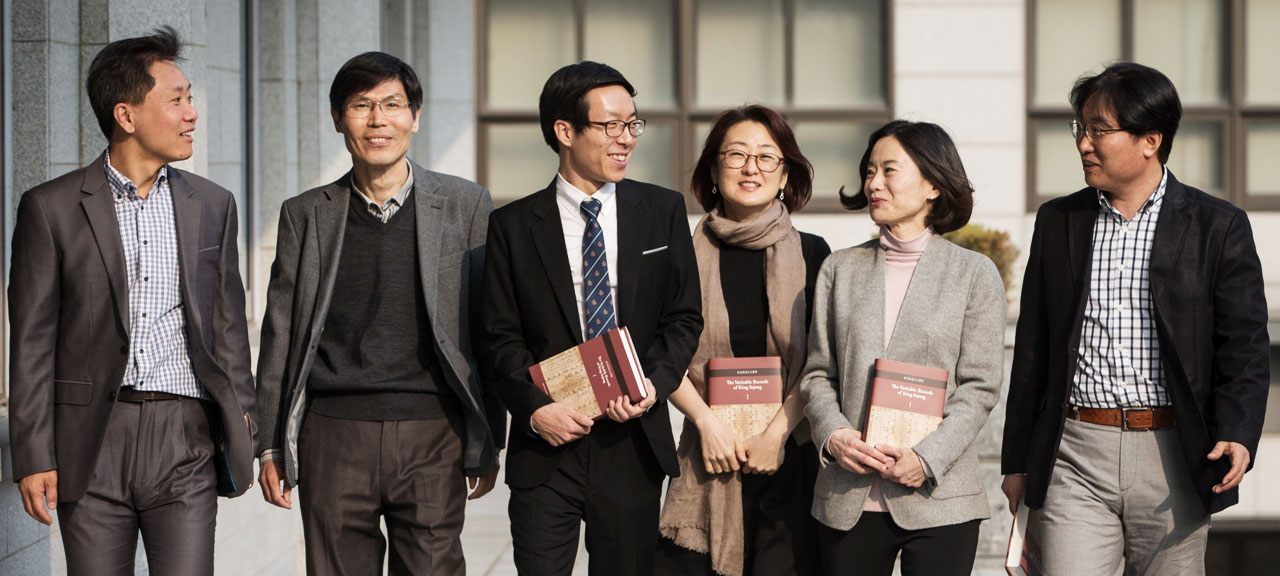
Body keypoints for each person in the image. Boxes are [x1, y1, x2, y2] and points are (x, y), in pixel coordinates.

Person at [1000, 62, 1269, 576]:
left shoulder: (1218, 225)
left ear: (1151, 140)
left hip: (1176, 455)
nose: (1084, 144)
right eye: (1081, 129)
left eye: (1099, 130)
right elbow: (1033, 349)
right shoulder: (1059, 222)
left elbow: (1245, 346)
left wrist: (1238, 431)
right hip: (1074, 452)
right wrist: (1016, 462)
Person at [7, 26, 255, 575]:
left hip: (185, 434)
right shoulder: (50, 208)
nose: (192, 113)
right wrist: (33, 453)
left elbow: (227, 327)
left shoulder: (213, 204)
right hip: (91, 439)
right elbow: (30, 342)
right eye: (177, 100)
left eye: (190, 98)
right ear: (126, 115)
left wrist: (247, 425)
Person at [254, 51, 503, 576]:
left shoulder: (466, 205)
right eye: (361, 105)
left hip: (433, 431)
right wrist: (271, 444)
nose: (377, 120)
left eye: (392, 105)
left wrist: (489, 439)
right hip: (334, 434)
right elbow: (281, 334)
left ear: (415, 116)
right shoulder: (305, 214)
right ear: (337, 119)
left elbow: (489, 328)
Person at [481, 61, 703, 576]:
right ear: (565, 131)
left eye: (632, 124)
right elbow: (499, 336)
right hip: (547, 448)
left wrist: (652, 383)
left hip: (633, 441)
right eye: (610, 125)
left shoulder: (662, 210)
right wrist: (535, 410)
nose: (626, 139)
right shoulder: (512, 225)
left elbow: (683, 317)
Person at [800, 120, 1006, 576]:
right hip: (847, 497)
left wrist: (927, 459)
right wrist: (834, 436)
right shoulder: (839, 269)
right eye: (869, 171)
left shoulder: (974, 273)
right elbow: (817, 374)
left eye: (889, 170)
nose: (874, 183)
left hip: (941, 498)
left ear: (933, 185)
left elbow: (980, 387)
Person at [655, 105, 830, 576]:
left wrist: (775, 436)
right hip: (708, 453)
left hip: (790, 455)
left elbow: (822, 359)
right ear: (713, 170)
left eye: (766, 157)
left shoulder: (813, 253)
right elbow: (662, 352)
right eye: (736, 155)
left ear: (784, 175)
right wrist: (706, 424)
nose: (751, 168)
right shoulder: (682, 254)